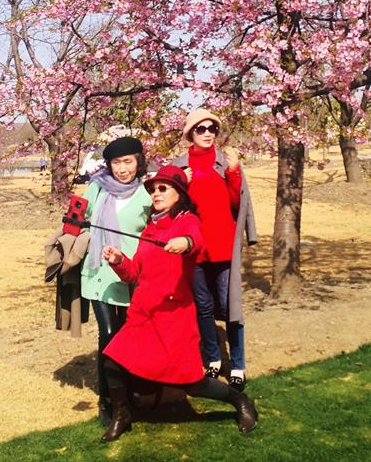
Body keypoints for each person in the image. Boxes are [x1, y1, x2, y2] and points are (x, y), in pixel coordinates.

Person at [99, 164, 257, 441]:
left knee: (193, 383)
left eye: (163, 188)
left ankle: (240, 401)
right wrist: (119, 261)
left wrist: (184, 242)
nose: (156, 193)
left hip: (174, 317)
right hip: (143, 314)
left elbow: (196, 242)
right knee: (113, 360)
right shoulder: (150, 228)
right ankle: (122, 416)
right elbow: (135, 273)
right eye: (153, 189)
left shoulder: (187, 220)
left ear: (178, 193)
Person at [172, 108, 257, 391]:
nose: (208, 133)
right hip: (195, 247)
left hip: (223, 246)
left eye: (212, 129)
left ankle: (238, 364)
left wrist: (233, 172)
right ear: (190, 134)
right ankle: (212, 359)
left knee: (230, 305)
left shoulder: (227, 162)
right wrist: (182, 183)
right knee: (203, 307)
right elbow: (168, 204)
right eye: (201, 129)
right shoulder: (179, 166)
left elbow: (238, 204)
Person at [80, 136, 152, 423]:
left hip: (132, 275)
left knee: (129, 335)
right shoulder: (97, 188)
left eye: (128, 162)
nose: (122, 169)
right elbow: (77, 217)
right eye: (116, 163)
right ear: (108, 165)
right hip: (98, 274)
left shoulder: (147, 192)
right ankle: (107, 399)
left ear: (138, 161)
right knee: (109, 334)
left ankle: (129, 390)